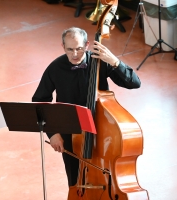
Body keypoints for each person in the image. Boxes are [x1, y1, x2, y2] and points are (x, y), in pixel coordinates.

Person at [32, 27, 141, 187]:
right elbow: (40, 100)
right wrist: (53, 133)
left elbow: (134, 83)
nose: (75, 54)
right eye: (70, 49)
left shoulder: (101, 62)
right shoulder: (55, 68)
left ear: (87, 45)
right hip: (70, 131)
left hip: (103, 131)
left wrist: (115, 62)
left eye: (79, 49)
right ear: (63, 46)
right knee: (76, 180)